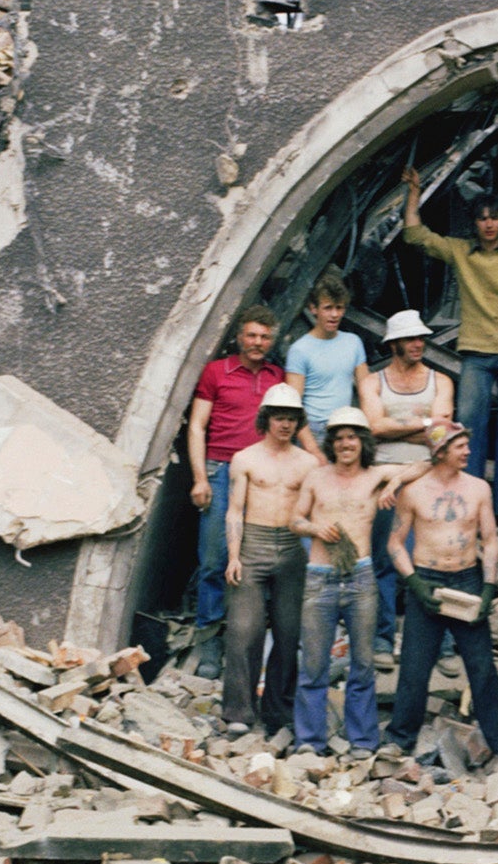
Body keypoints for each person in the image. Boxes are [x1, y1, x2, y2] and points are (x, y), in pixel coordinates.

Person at [402, 171, 498, 517]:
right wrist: (414, 192)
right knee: (469, 423)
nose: (489, 224)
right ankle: (467, 498)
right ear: (475, 225)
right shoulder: (462, 252)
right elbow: (415, 235)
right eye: (482, 219)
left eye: (494, 217)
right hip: (476, 353)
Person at [384, 423, 498, 762]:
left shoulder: (478, 488)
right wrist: (414, 582)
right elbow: (395, 544)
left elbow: (489, 541)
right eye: (460, 446)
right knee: (415, 666)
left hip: (467, 580)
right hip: (426, 580)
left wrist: (488, 587)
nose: (468, 452)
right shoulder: (414, 491)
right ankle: (400, 738)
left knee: (482, 665)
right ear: (440, 451)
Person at [289, 408, 413, 757]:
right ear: (332, 443)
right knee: (314, 664)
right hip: (320, 576)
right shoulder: (316, 477)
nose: (346, 444)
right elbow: (294, 519)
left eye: (353, 437)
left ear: (363, 443)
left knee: (363, 662)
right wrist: (315, 528)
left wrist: (393, 482)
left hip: (360, 576)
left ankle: (362, 740)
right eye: (340, 438)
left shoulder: (373, 476)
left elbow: (422, 466)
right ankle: (310, 741)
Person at [186, 305, 283, 677]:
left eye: (264, 337)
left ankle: (244, 640)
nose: (258, 343)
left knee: (256, 559)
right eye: (252, 335)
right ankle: (209, 639)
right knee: (214, 559)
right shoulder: (216, 372)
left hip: (261, 474)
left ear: (271, 341)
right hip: (220, 470)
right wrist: (200, 478)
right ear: (240, 337)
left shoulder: (277, 378)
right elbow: (197, 427)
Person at [221, 385, 315, 736]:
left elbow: (315, 511)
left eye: (291, 418)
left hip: (291, 549)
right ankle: (238, 712)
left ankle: (278, 710)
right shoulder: (246, 458)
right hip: (253, 545)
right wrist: (234, 555)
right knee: (244, 631)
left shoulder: (308, 462)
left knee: (289, 633)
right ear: (266, 419)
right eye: (279, 417)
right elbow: (234, 510)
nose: (285, 425)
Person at [358, 308, 454, 644]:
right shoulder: (373, 382)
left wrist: (397, 430)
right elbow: (373, 427)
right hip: (384, 480)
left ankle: (433, 641)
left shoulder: (440, 381)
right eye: (410, 339)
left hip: (428, 477)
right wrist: (426, 424)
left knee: (430, 558)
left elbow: (444, 434)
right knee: (384, 559)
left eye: (420, 338)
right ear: (393, 343)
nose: (418, 344)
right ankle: (384, 637)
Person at [282, 277, 367, 454]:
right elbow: (293, 406)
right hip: (315, 429)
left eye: (339, 308)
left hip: (347, 426)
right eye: (328, 308)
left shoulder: (353, 342)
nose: (334, 315)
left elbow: (367, 390)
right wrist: (312, 448)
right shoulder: (300, 350)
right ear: (313, 309)